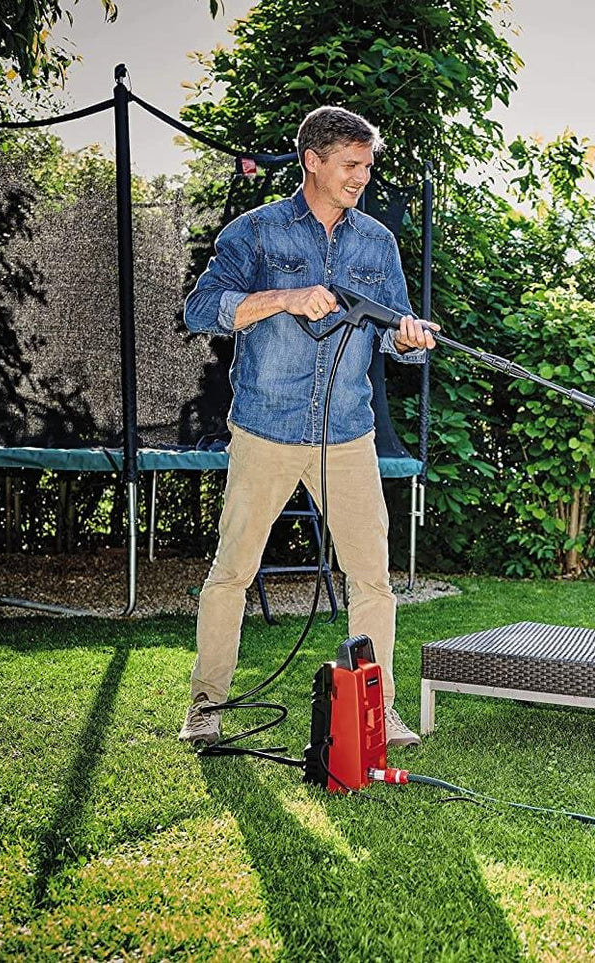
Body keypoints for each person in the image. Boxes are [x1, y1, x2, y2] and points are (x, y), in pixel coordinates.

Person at [178, 106, 435, 748]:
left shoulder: (377, 242)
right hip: (264, 429)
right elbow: (201, 310)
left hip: (347, 435)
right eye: (350, 165)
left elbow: (391, 333)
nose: (361, 177)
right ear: (312, 161)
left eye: (367, 166)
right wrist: (284, 298)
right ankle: (206, 705)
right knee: (231, 573)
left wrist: (408, 340)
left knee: (372, 579)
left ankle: (379, 711)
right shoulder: (256, 233)